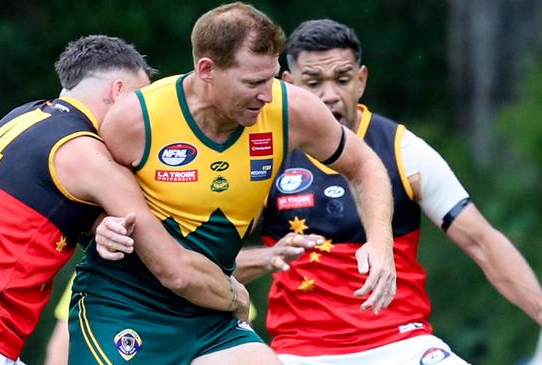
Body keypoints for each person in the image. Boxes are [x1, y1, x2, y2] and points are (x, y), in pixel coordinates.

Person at [70, 3, 397, 365]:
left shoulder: (291, 110)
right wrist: (100, 226)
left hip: (209, 308)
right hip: (124, 305)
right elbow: (81, 203)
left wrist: (381, 242)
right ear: (207, 69)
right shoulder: (137, 119)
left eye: (271, 78)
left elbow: (365, 164)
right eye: (253, 83)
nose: (268, 95)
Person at [0, 34, 251, 365]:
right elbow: (171, 265)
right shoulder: (86, 154)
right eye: (142, 102)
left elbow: (38, 210)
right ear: (119, 91)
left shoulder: (24, 117)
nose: (146, 119)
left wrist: (99, 227)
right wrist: (232, 296)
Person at [232, 18, 542, 365]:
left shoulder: (402, 150)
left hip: (403, 343)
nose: (330, 95)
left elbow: (481, 242)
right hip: (301, 353)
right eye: (314, 82)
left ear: (361, 80)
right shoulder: (266, 155)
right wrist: (263, 258)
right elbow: (209, 264)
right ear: (287, 85)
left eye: (342, 79)